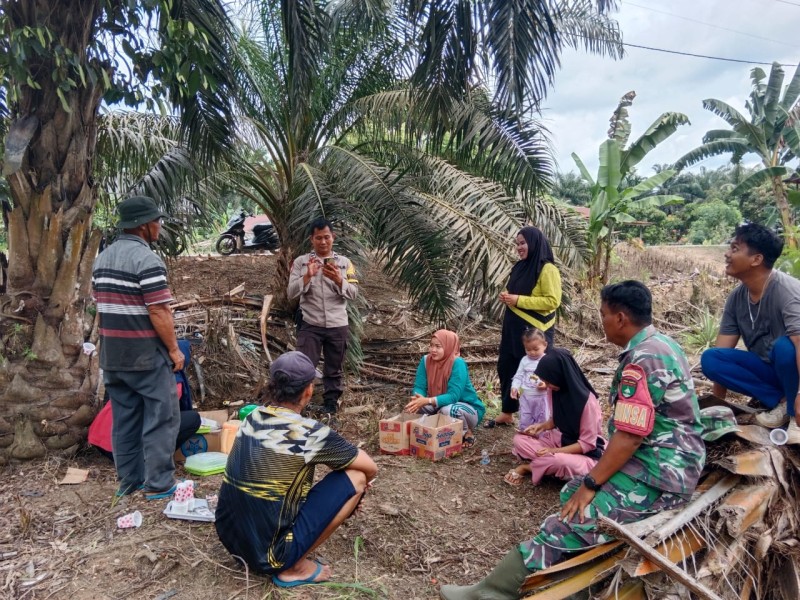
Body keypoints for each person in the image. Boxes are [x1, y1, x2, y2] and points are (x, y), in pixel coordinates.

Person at [440, 281, 705, 600]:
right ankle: (578, 583)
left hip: (658, 476)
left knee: (568, 519)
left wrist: (592, 484)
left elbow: (630, 436)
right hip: (662, 465)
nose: (601, 321)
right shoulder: (664, 344)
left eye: (604, 314)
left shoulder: (642, 360)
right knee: (570, 491)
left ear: (621, 318)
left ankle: (490, 593)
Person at [215, 351, 377, 587]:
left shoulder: (252, 417)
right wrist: (359, 491)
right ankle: (294, 566)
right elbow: (370, 467)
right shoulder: (310, 432)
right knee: (357, 477)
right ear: (309, 391)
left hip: (230, 540)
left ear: (272, 386)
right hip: (269, 556)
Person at [92, 196, 185, 500]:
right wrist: (174, 350)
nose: (160, 226)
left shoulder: (102, 258)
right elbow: (159, 311)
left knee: (125, 419)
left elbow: (101, 304)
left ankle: (129, 482)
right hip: (144, 356)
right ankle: (159, 485)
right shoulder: (147, 260)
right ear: (144, 225)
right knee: (163, 416)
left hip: (112, 356)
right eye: (157, 221)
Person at [701, 223, 800, 430]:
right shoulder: (737, 298)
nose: (727, 254)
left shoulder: (788, 292)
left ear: (756, 259)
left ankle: (793, 414)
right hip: (771, 374)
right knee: (711, 358)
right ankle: (782, 402)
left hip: (795, 371)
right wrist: (718, 406)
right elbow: (722, 351)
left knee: (785, 347)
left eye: (735, 249)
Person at [487, 226, 561, 428]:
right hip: (513, 328)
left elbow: (552, 301)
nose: (519, 247)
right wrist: (508, 297)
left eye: (523, 243)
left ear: (535, 243)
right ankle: (508, 411)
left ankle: (545, 418)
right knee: (507, 366)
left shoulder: (547, 269)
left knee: (537, 373)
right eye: (517, 243)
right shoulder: (520, 266)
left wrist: (518, 300)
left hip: (535, 331)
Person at [503, 348, 604, 487]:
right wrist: (541, 426)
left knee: (559, 461)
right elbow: (555, 421)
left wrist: (553, 451)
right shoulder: (554, 390)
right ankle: (548, 466)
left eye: (549, 382)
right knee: (519, 440)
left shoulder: (588, 403)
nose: (547, 386)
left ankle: (529, 468)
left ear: (561, 375)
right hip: (560, 441)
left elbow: (587, 444)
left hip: (585, 454)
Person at [287, 218, 359, 415]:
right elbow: (290, 292)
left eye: (327, 237)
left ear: (333, 237)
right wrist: (307, 276)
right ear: (312, 239)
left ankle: (330, 403)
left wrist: (338, 279)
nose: (323, 242)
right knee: (303, 365)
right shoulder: (302, 262)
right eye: (318, 238)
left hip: (337, 324)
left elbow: (354, 293)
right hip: (311, 323)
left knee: (334, 367)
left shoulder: (344, 263)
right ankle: (298, 404)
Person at [88, 341, 201, 461]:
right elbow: (162, 418)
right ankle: (151, 459)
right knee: (193, 419)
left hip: (100, 441)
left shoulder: (138, 370)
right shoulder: (172, 381)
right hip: (125, 450)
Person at [404, 330, 486, 448]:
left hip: (465, 408)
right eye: (431, 345)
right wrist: (418, 399)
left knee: (448, 410)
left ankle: (467, 432)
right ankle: (429, 430)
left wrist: (427, 401)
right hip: (438, 404)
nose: (433, 350)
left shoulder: (458, 363)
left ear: (448, 347)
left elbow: (453, 396)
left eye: (438, 346)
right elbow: (419, 386)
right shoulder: (426, 360)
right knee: (412, 409)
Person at [510, 328, 549, 430]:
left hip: (542, 398)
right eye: (528, 349)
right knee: (525, 419)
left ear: (545, 345)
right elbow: (518, 376)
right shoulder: (524, 360)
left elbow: (552, 379)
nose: (532, 352)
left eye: (536, 349)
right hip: (526, 397)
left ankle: (541, 442)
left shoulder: (547, 360)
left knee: (542, 419)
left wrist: (545, 385)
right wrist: (514, 387)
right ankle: (525, 439)